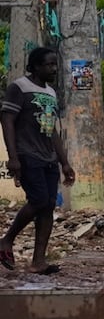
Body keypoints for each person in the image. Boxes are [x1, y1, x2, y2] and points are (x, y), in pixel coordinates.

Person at [0, 47, 76, 275]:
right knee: (39, 200)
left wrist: (65, 162)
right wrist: (13, 157)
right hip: (27, 154)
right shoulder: (19, 88)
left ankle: (38, 261)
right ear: (34, 66)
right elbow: (7, 121)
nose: (53, 69)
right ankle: (6, 240)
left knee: (48, 206)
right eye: (48, 65)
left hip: (48, 158)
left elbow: (52, 131)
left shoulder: (51, 93)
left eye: (55, 64)